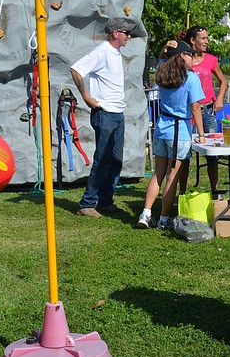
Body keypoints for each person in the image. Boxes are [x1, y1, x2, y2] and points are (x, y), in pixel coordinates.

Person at [70, 17, 137, 218]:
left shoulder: (115, 53)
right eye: (126, 33)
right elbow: (76, 69)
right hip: (105, 113)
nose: (129, 37)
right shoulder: (102, 51)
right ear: (115, 33)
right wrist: (86, 97)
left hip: (117, 113)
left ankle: (106, 201)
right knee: (102, 158)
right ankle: (87, 203)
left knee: (115, 159)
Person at [137, 40, 206, 229]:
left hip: (161, 128)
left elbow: (161, 60)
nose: (193, 58)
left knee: (158, 174)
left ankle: (146, 213)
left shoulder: (162, 72)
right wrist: (201, 133)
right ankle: (164, 219)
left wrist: (164, 49)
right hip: (179, 131)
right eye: (189, 54)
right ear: (182, 56)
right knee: (172, 177)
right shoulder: (190, 78)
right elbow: (195, 107)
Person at [162, 26, 227, 196]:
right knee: (184, 155)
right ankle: (182, 192)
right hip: (187, 115)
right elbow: (165, 64)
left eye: (207, 38)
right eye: (203, 38)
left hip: (207, 112)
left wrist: (219, 98)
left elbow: (223, 81)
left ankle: (215, 191)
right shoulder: (183, 60)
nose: (206, 42)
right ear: (193, 40)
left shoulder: (212, 60)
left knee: (212, 154)